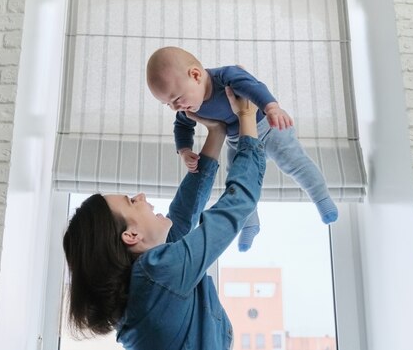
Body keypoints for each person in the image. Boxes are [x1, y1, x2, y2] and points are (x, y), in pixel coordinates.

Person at [63, 88, 266, 350]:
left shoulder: (148, 285)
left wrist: (216, 132)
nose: (142, 196)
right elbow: (232, 211)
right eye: (131, 202)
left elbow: (182, 215)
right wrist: (247, 117)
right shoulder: (158, 276)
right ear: (131, 235)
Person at [146, 46, 338, 252]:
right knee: (236, 183)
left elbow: (253, 86)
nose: (176, 108)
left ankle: (322, 198)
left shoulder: (225, 77)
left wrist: (272, 107)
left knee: (295, 163)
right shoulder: (188, 108)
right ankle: (250, 225)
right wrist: (184, 150)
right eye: (168, 105)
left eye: (176, 99)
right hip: (237, 141)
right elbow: (182, 126)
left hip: (269, 128)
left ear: (195, 75)